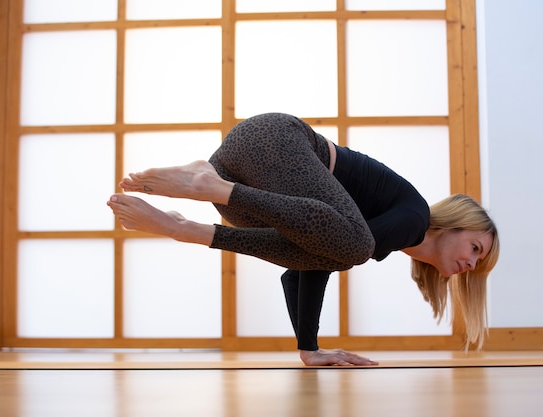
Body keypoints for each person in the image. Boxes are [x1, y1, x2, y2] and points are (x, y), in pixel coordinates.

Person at [107, 112, 499, 366]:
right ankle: (194, 213)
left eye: (478, 266)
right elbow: (338, 255)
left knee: (331, 249)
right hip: (274, 143)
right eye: (475, 249)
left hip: (245, 177)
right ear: (452, 228)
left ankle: (204, 192)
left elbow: (303, 268)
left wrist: (308, 349)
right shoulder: (413, 218)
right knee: (353, 249)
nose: (471, 264)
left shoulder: (391, 233)